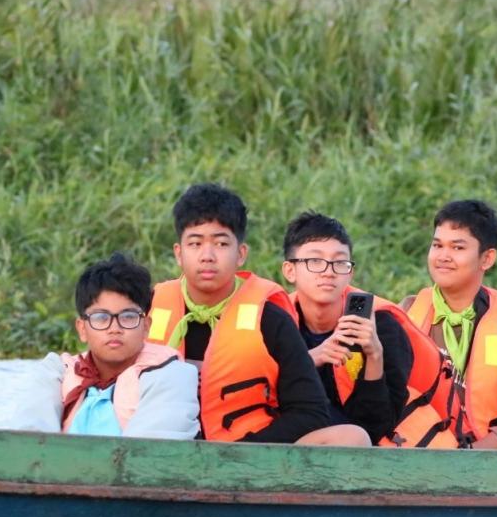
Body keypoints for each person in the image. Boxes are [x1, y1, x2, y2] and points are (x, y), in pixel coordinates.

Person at [146, 183, 368, 445]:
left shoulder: (269, 318)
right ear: (179, 253)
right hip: (159, 451)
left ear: (241, 254)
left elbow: (310, 412)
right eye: (195, 243)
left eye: (221, 243)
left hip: (249, 454)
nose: (207, 256)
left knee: (353, 438)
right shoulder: (147, 310)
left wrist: (243, 452)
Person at [402, 200, 497, 450]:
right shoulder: (407, 313)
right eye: (437, 245)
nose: (443, 256)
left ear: (487, 258)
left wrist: (466, 459)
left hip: (485, 464)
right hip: (411, 454)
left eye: (457, 247)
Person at [14, 253, 200, 439]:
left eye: (128, 317)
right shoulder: (57, 373)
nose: (114, 328)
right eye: (101, 317)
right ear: (82, 328)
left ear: (146, 326)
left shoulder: (172, 376)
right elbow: (29, 440)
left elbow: (148, 450)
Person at [281, 212, 410, 444]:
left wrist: (374, 355)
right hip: (288, 443)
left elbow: (375, 428)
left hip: (355, 452)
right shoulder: (276, 323)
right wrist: (308, 360)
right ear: (290, 271)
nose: (328, 271)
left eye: (340, 262)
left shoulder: (382, 327)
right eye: (315, 261)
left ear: (350, 273)